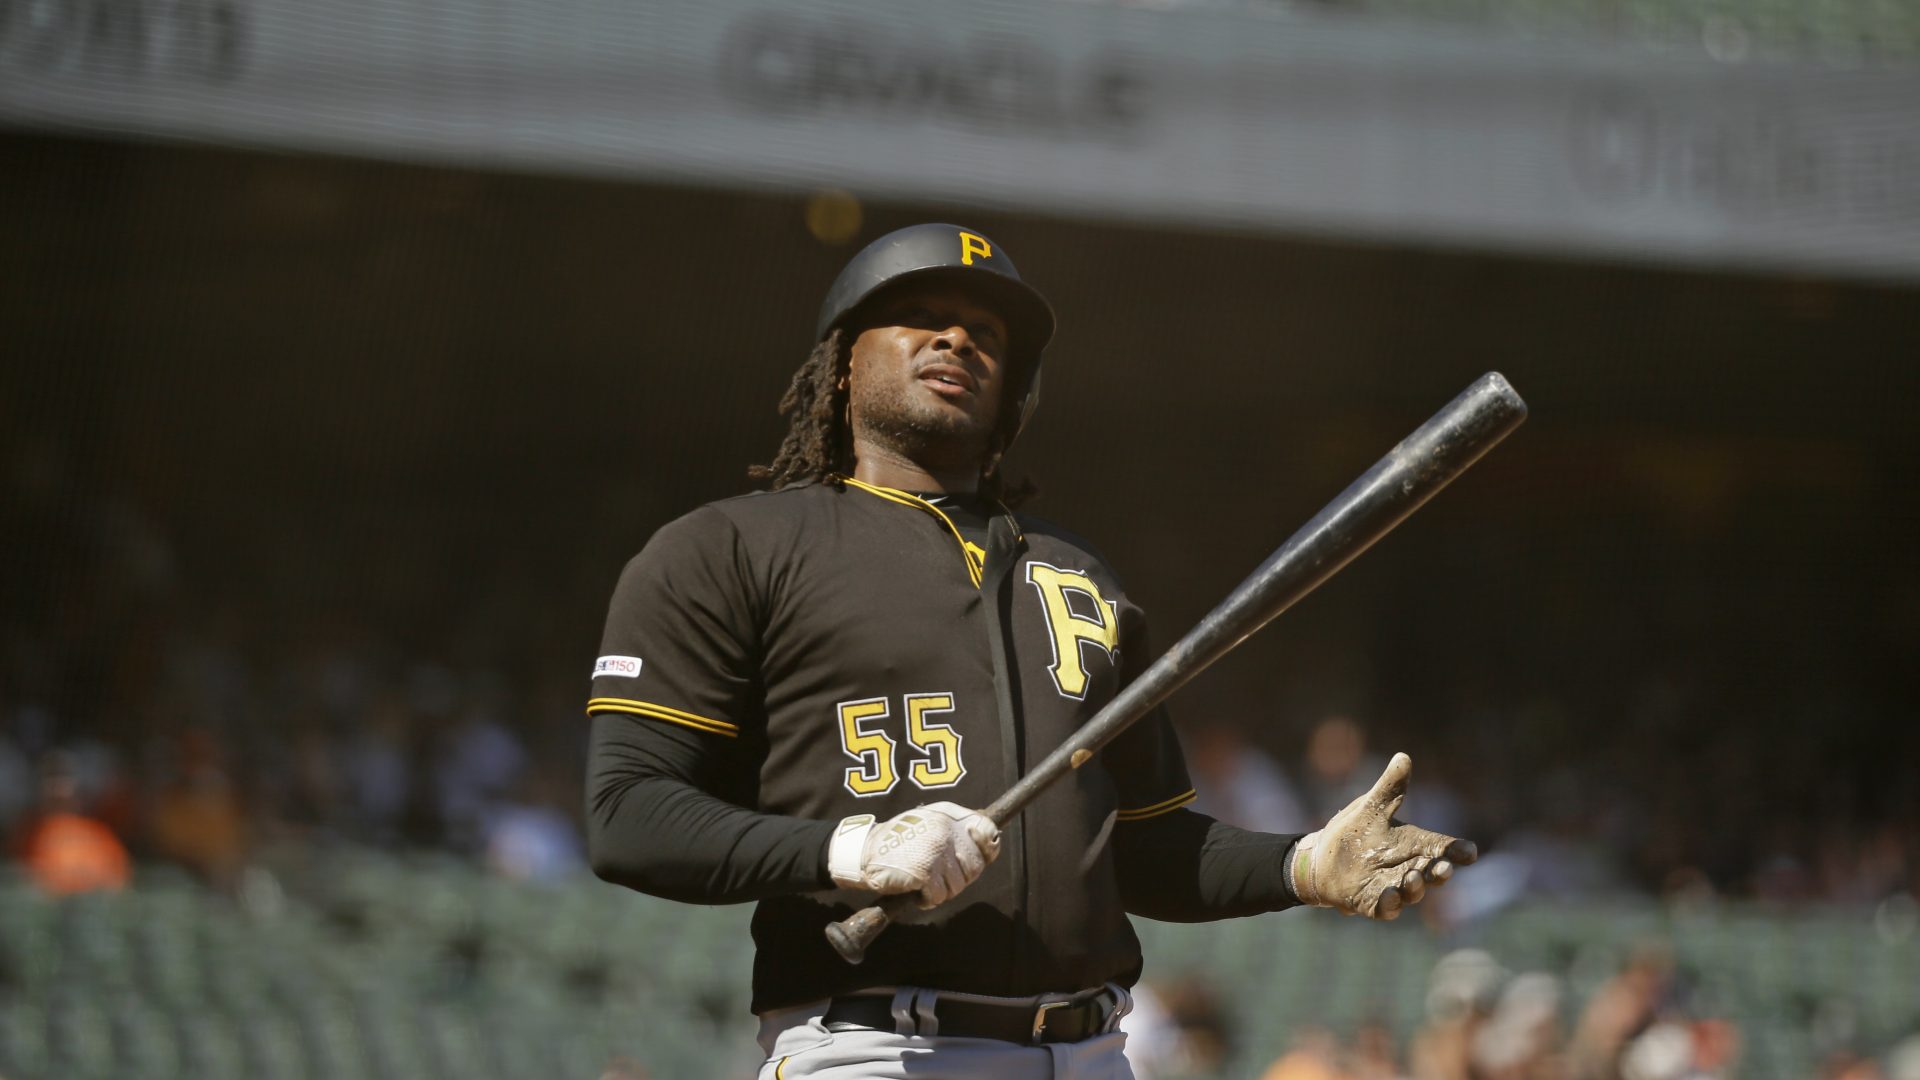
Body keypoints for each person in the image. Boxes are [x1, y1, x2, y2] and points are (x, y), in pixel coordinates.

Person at [584, 223, 1476, 1079]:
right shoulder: (729, 549)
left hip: (1095, 1052)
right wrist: (849, 851)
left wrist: (1303, 864)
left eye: (985, 333)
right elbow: (629, 814)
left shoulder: (1080, 576)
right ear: (842, 362)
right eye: (923, 313)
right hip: (877, 1048)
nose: (958, 339)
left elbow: (1142, 847)